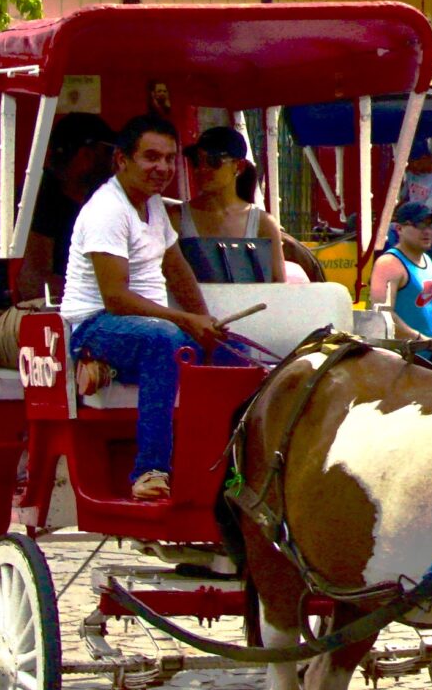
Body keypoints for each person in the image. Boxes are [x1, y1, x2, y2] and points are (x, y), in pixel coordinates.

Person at [61, 113, 231, 502]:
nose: (163, 168)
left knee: (233, 352)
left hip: (146, 327)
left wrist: (205, 324)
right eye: (152, 157)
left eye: (170, 159)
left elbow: (178, 271)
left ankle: (228, 474)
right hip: (96, 326)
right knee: (164, 340)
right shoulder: (107, 210)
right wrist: (186, 321)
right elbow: (115, 299)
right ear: (122, 160)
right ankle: (150, 471)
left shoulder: (154, 207)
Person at [0, 115, 117, 368]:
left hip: (59, 314)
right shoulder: (40, 197)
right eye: (110, 153)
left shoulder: (98, 204)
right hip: (7, 316)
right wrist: (112, 296)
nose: (117, 164)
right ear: (86, 156)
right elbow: (33, 283)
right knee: (75, 329)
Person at [174, 125, 325, 281]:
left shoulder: (264, 224)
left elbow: (278, 287)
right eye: (196, 161)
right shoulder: (177, 219)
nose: (202, 169)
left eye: (213, 161)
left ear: (238, 166)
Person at [369, 201, 432, 338]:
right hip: (402, 355)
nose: (427, 231)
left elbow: (430, 307)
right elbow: (382, 314)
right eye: (419, 225)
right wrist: (419, 339)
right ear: (399, 229)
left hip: (430, 351)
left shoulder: (429, 261)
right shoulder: (389, 264)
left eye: (431, 225)